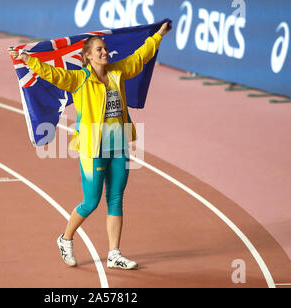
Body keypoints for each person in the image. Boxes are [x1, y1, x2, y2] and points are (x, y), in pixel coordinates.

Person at [9, 21, 172, 270]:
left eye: (105, 48)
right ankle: (65, 239)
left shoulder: (118, 71)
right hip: (92, 148)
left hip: (118, 144)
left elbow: (140, 57)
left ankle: (114, 254)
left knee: (116, 199)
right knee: (91, 202)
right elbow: (54, 74)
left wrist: (158, 36)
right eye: (99, 49)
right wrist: (27, 59)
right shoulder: (79, 79)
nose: (105, 52)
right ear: (86, 56)